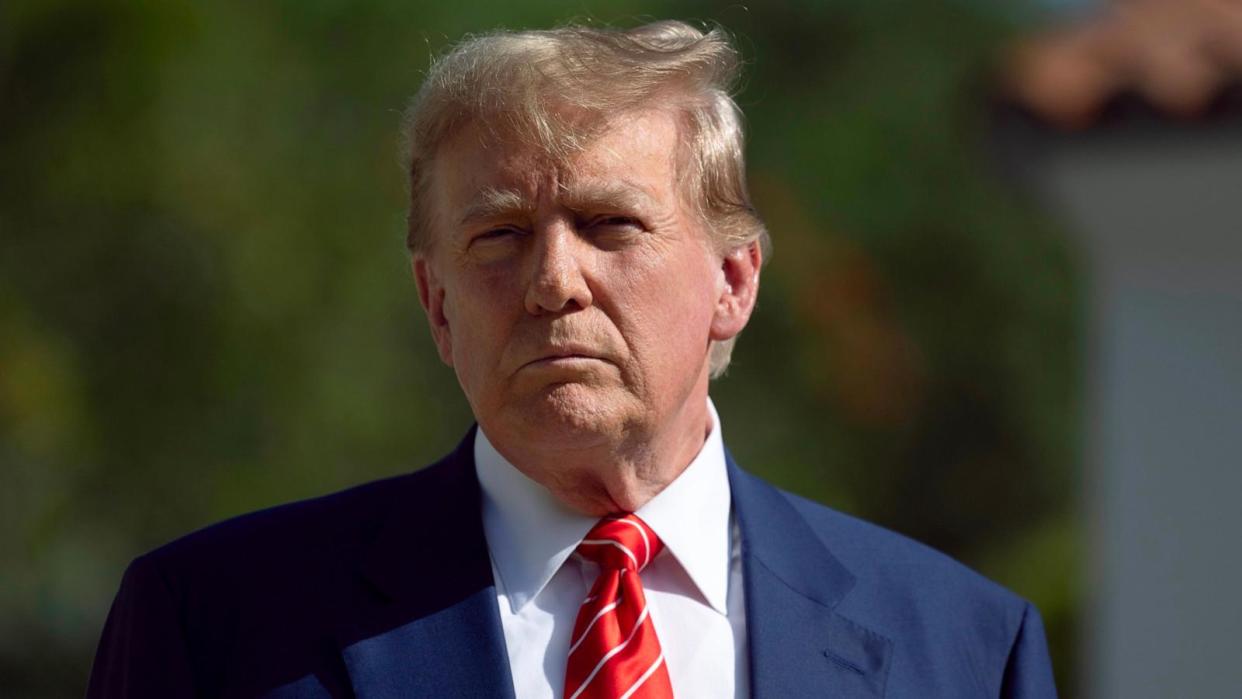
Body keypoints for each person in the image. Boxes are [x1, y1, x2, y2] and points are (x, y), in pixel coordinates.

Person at [88, 20, 1058, 699]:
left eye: (608, 223)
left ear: (733, 281)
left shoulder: (963, 646)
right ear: (436, 303)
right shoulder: (216, 623)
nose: (554, 280)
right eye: (499, 236)